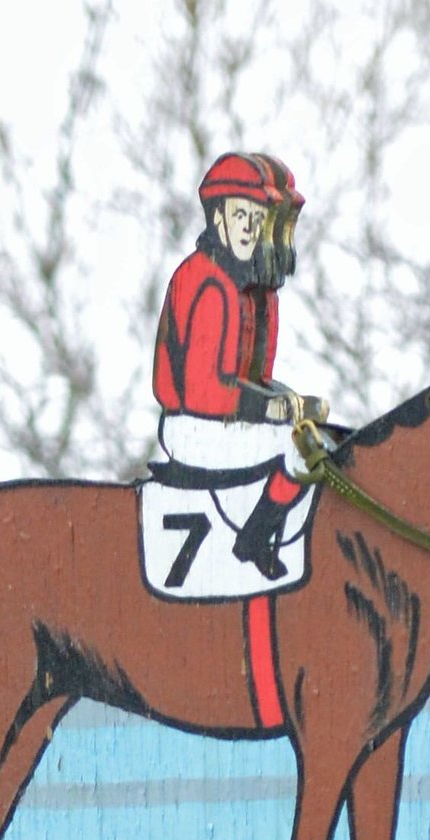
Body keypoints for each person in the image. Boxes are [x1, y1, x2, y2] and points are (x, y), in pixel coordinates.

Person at [151, 153, 325, 573]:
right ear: (218, 220)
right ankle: (252, 540)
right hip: (191, 425)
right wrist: (265, 407)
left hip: (218, 418)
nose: (248, 227)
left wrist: (292, 402)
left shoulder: (260, 292)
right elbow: (202, 389)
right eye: (240, 215)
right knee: (295, 452)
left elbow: (257, 377)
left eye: (258, 217)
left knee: (320, 440)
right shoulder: (206, 282)